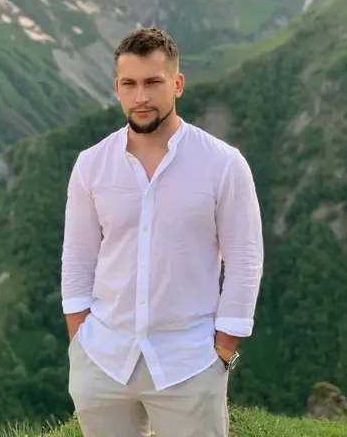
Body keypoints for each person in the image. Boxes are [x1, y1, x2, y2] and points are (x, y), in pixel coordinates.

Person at [61, 27, 264, 437]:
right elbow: (78, 257)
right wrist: (79, 341)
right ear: (117, 88)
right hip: (102, 358)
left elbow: (245, 260)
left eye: (153, 82)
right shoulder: (91, 164)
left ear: (177, 84)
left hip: (189, 362)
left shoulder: (223, 164)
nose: (141, 97)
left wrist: (223, 348)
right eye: (130, 84)